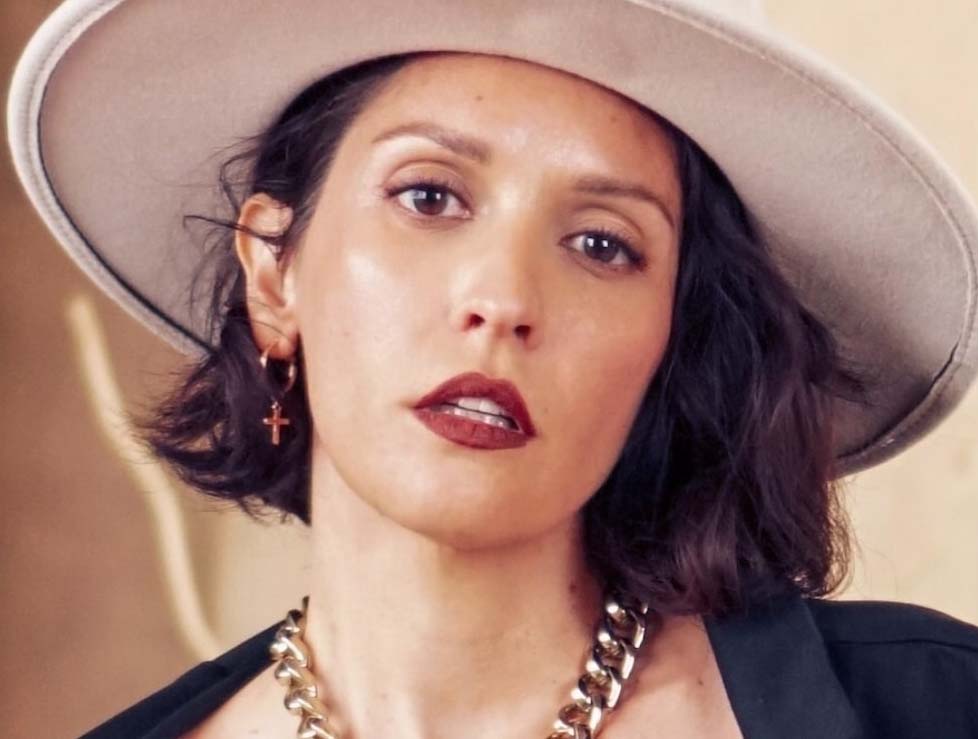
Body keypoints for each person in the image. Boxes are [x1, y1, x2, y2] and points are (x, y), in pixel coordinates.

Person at [8, 0, 978, 737]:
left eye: (603, 244)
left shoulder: (935, 705)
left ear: (670, 341)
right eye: (429, 196)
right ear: (274, 272)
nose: (504, 298)